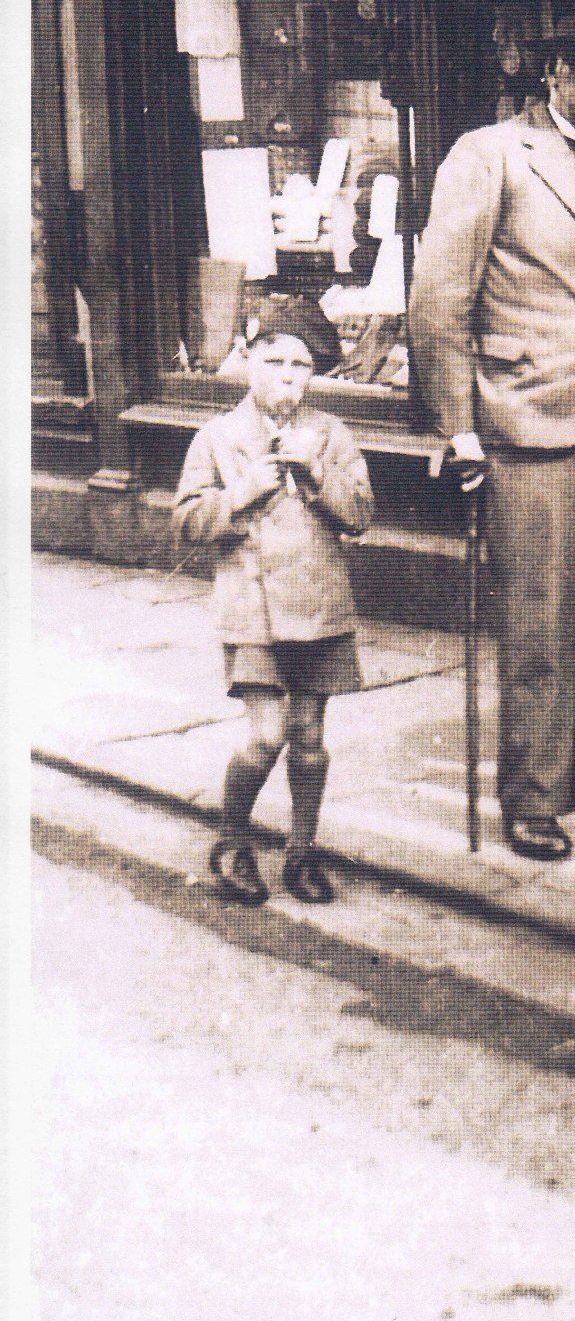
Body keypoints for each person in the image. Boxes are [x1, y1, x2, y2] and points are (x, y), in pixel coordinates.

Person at [409, 7, 575, 864]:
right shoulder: (490, 154)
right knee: (538, 617)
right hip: (527, 415)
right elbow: (438, 299)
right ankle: (531, 793)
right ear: (550, 71)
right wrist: (458, 427)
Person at [174, 298, 375, 908]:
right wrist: (241, 494)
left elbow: (363, 515)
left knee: (310, 737)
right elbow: (186, 523)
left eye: (302, 365)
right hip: (253, 607)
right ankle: (233, 841)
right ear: (249, 362)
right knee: (266, 736)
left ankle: (302, 851)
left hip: (320, 604)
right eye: (276, 360)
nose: (289, 375)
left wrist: (316, 475)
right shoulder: (217, 437)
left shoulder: (330, 434)